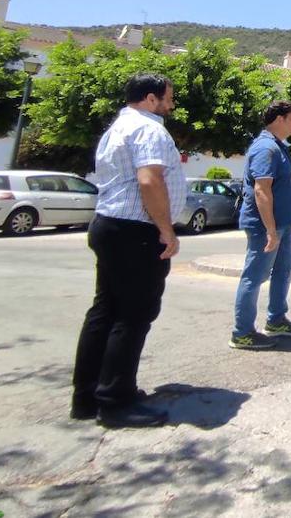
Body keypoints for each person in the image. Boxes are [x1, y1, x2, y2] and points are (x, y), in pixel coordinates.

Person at [71, 73, 187, 428]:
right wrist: (166, 230)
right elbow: (149, 180)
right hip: (135, 231)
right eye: (168, 98)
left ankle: (87, 396)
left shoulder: (117, 128)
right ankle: (116, 401)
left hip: (110, 224)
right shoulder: (149, 129)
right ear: (151, 99)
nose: (171, 104)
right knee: (133, 315)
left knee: (105, 310)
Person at [229, 100, 291, 350]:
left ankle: (276, 319)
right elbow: (262, 191)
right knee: (255, 276)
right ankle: (242, 333)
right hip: (266, 227)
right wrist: (271, 231)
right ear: (279, 119)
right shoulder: (266, 148)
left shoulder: (277, 147)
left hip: (281, 224)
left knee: (285, 268)